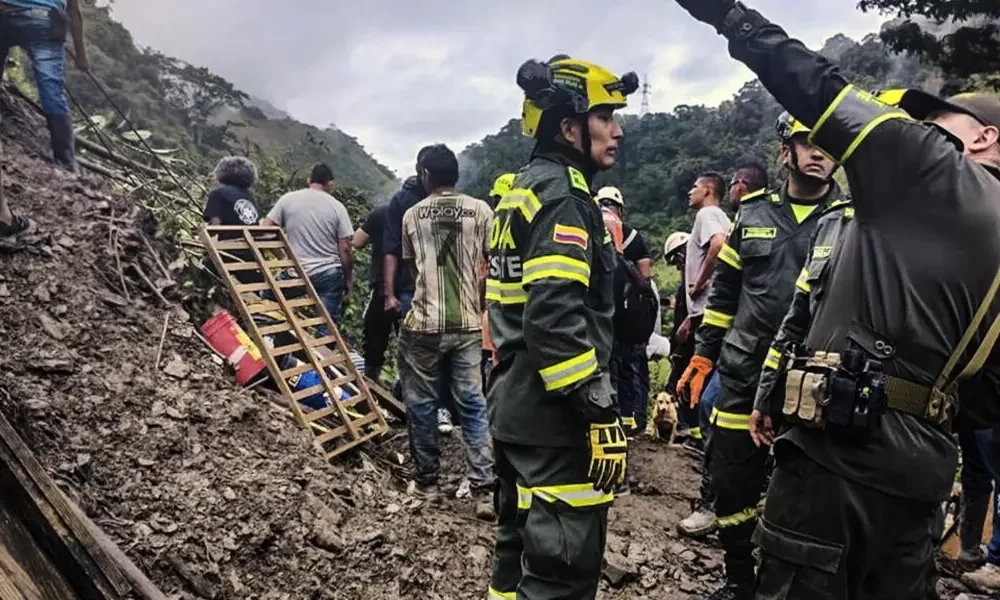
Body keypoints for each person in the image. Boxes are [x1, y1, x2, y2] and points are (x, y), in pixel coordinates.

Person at [672, 0, 1000, 597]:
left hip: (838, 460)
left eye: (939, 120)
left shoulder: (931, 170)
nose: (923, 130)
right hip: (919, 475)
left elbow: (816, 85)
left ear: (984, 136)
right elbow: (987, 400)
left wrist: (729, 16)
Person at [486, 54, 637, 599]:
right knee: (560, 575)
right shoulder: (566, 201)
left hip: (514, 408)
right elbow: (553, 320)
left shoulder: (521, 190)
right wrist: (599, 411)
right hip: (555, 423)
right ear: (569, 126)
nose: (617, 131)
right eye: (606, 117)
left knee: (513, 559)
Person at [677, 111, 843, 599]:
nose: (818, 154)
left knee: (807, 486)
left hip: (814, 378)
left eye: (828, 146)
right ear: (784, 152)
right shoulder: (751, 216)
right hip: (744, 368)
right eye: (807, 143)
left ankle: (790, 582)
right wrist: (703, 358)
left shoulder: (850, 220)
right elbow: (724, 299)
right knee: (733, 480)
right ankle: (738, 577)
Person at [397, 143, 494, 498]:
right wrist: (479, 306)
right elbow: (490, 268)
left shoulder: (412, 215)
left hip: (424, 324)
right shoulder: (482, 211)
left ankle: (428, 484)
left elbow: (412, 270)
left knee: (422, 404)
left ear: (424, 174)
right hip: (468, 324)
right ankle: (484, 489)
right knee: (472, 403)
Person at [383, 147, 457, 433]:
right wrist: (389, 294)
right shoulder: (402, 202)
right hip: (410, 289)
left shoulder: (452, 201)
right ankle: (424, 412)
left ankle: (443, 409)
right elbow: (390, 249)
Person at [262, 163, 353, 334]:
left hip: (296, 271)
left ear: (309, 180)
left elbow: (265, 231)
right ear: (330, 183)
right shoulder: (338, 207)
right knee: (327, 325)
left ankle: (273, 337)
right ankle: (323, 357)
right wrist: (348, 281)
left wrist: (284, 258)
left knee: (266, 297)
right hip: (329, 274)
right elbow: (345, 248)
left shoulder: (288, 199)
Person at [0, 0, 87, 172]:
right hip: (45, 20)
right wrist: (81, 55)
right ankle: (66, 163)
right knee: (52, 88)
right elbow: (73, 11)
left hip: (5, 13)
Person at [596, 185, 652, 438]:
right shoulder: (633, 236)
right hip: (626, 313)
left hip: (599, 311)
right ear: (620, 208)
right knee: (629, 366)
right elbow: (646, 277)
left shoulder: (590, 226)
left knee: (605, 365)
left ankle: (607, 417)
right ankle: (628, 421)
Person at [202, 156, 261, 284]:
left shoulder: (218, 193)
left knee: (204, 266)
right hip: (252, 254)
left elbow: (214, 226)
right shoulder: (251, 198)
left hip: (229, 252)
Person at [353, 202, 393, 381]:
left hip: (382, 286)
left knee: (374, 338)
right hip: (413, 288)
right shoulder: (423, 213)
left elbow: (357, 241)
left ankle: (370, 382)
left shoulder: (381, 212)